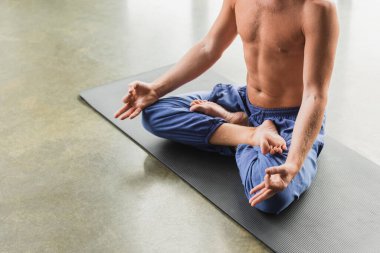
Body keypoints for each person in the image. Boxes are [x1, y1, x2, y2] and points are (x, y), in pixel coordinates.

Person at [114, 0, 339, 214]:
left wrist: (292, 164)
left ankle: (238, 130)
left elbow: (315, 95)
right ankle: (249, 133)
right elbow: (209, 47)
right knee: (154, 114)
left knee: (271, 197)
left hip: (291, 120)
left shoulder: (318, 9)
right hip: (244, 101)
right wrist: (156, 89)